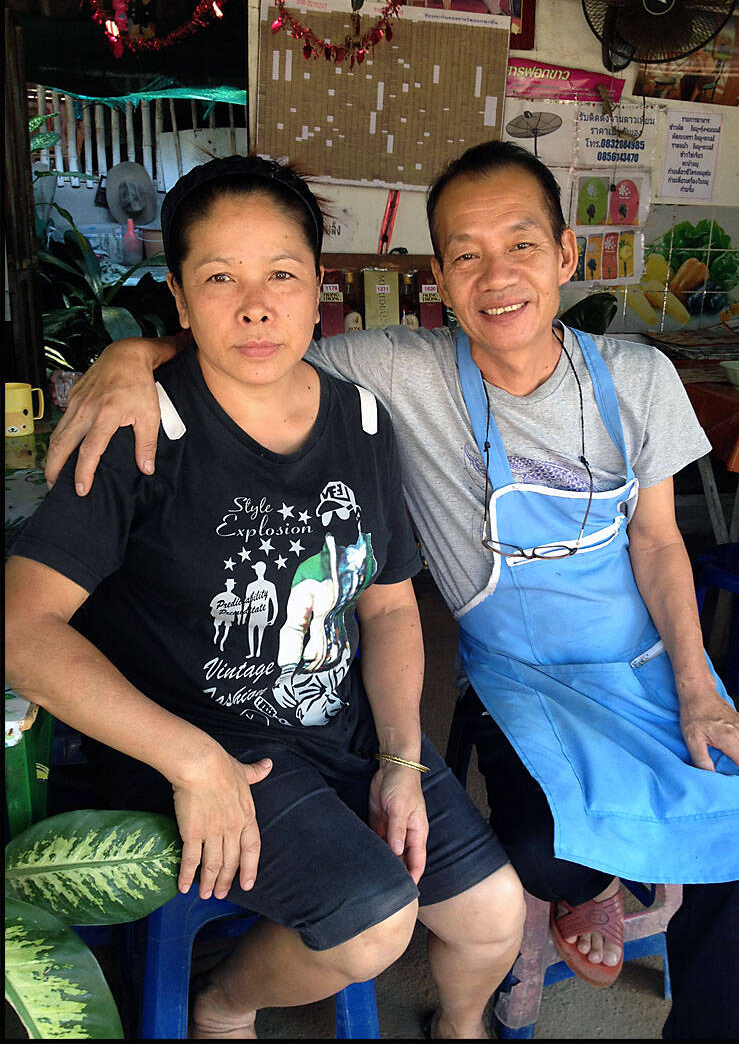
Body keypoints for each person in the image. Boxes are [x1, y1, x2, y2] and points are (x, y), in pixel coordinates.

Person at [42, 142, 739, 1038]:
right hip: (516, 680)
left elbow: (658, 541)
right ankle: (581, 884)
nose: (497, 277)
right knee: (534, 857)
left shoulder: (632, 377)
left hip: (640, 662)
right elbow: (252, 339)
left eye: (521, 245)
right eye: (467, 254)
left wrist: (700, 687)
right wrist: (131, 355)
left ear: (566, 254)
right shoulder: (397, 370)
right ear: (439, 277)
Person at [6, 155, 526, 1040]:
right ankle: (222, 1004)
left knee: (494, 914)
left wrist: (402, 756)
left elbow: (389, 605)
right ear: (179, 298)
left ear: (318, 285)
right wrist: (192, 762)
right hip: (194, 739)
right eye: (220, 278)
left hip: (339, 724)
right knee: (375, 923)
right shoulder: (142, 426)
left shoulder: (362, 421)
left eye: (281, 274)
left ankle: (463, 1025)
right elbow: (22, 629)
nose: (255, 306)